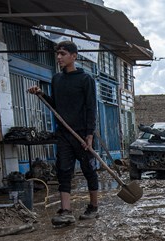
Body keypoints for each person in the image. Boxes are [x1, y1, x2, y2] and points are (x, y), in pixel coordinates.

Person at [27, 41, 99, 226]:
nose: (59, 57)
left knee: (89, 170)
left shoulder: (85, 79)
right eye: (58, 54)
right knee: (63, 171)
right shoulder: (57, 79)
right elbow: (56, 106)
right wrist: (41, 94)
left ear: (74, 56)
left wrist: (89, 135)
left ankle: (93, 207)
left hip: (82, 134)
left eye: (63, 54)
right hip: (64, 134)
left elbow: (91, 108)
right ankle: (66, 211)